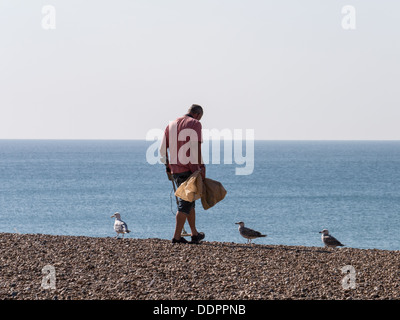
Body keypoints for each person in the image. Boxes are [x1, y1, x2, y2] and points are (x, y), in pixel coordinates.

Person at [160, 104, 206, 244]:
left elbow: (163, 149)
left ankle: (194, 234)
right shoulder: (195, 124)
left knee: (190, 202)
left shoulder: (171, 125)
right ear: (198, 115)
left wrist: (168, 167)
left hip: (175, 169)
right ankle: (176, 237)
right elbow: (196, 147)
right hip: (190, 169)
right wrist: (201, 168)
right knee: (185, 204)